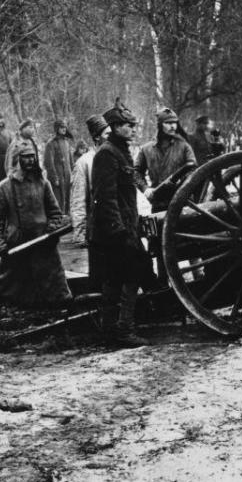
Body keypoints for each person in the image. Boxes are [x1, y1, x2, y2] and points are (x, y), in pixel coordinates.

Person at [0, 144, 71, 327]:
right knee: (2, 283)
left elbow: (55, 213)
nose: (30, 161)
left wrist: (51, 228)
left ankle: (69, 319)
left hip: (43, 244)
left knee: (56, 282)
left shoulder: (43, 184)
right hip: (18, 244)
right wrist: (0, 245)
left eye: (32, 157)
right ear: (17, 159)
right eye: (25, 157)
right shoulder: (4, 188)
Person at [91, 100, 152, 347]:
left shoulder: (121, 151)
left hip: (125, 226)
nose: (134, 130)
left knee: (117, 279)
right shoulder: (107, 153)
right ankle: (123, 331)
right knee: (125, 277)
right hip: (114, 231)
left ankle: (111, 333)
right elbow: (105, 197)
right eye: (129, 126)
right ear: (116, 127)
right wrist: (120, 232)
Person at [135, 107, 197, 212]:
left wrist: (179, 182)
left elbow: (194, 170)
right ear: (160, 125)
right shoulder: (147, 149)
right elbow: (136, 173)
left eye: (174, 123)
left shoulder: (184, 147)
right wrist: (145, 189)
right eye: (168, 123)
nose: (173, 126)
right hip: (158, 203)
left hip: (182, 203)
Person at [69, 114, 111, 247]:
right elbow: (78, 200)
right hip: (97, 230)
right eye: (107, 134)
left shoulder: (115, 158)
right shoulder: (84, 163)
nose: (111, 138)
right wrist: (80, 234)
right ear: (97, 137)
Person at [43, 119, 75, 214]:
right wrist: (54, 178)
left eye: (65, 127)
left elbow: (71, 160)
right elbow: (48, 162)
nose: (64, 129)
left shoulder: (66, 142)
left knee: (68, 197)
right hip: (58, 176)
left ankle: (67, 217)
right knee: (58, 199)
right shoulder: (51, 143)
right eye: (61, 127)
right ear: (57, 128)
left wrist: (73, 174)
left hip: (67, 175)